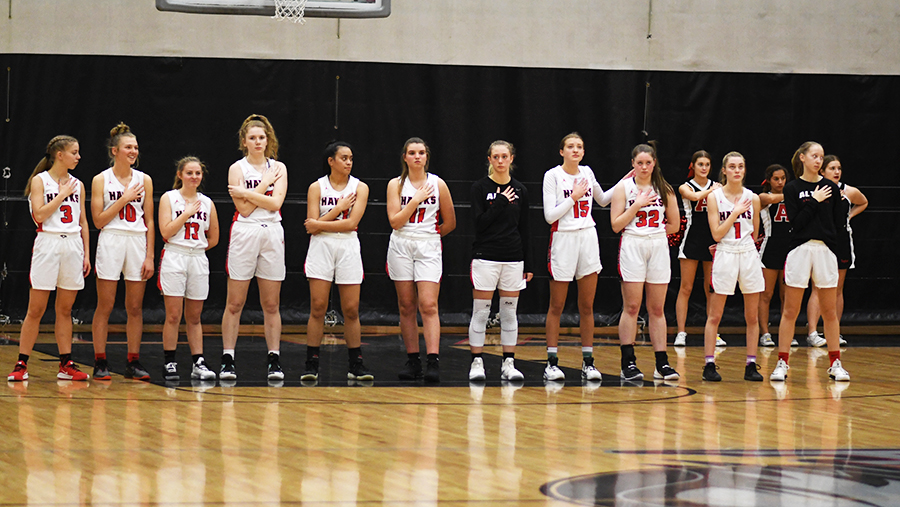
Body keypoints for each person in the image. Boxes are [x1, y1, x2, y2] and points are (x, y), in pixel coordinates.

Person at [542, 132, 630, 383]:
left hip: (588, 237)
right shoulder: (553, 176)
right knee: (557, 305)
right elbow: (550, 216)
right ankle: (551, 362)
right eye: (570, 146)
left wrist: (625, 181)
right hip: (564, 238)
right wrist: (573, 196)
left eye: (579, 146)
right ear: (562, 151)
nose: (575, 150)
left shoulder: (587, 173)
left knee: (587, 305)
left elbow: (602, 200)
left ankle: (588, 362)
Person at [8, 136, 91, 382]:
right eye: (74, 152)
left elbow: (83, 221)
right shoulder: (39, 181)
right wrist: (61, 195)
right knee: (36, 309)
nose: (78, 157)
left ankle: (66, 364)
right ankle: (21, 363)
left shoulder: (78, 183)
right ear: (59, 155)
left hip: (73, 244)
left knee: (65, 309)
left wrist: (86, 251)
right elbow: (40, 215)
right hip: (48, 242)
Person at [770, 142, 849, 383]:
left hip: (824, 250)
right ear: (803, 158)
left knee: (829, 311)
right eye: (814, 156)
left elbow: (837, 225)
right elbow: (796, 223)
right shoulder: (793, 188)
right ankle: (782, 362)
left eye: (821, 157)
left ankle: (835, 363)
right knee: (790, 310)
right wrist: (813, 200)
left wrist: (834, 251)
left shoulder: (831, 188)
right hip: (800, 249)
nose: (818, 160)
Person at [221, 114, 288, 381]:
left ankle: (274, 358)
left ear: (268, 139)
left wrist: (247, 192)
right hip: (245, 232)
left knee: (271, 303)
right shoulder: (237, 168)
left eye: (262, 137)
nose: (258, 142)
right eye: (253, 138)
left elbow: (275, 204)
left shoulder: (279, 167)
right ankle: (228, 358)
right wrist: (262, 187)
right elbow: (245, 210)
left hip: (271, 231)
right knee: (235, 302)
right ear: (244, 141)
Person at [302, 141, 373, 382]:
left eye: (351, 158)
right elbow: (311, 227)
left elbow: (351, 223)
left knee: (351, 309)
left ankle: (356, 363)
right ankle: (311, 363)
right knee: (318, 306)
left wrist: (320, 223)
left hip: (348, 244)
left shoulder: (360, 187)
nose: (349, 162)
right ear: (331, 161)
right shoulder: (317, 187)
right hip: (322, 247)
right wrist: (339, 208)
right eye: (344, 158)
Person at [386, 137, 456, 383]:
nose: (417, 156)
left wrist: (430, 236)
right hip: (401, 242)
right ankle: (413, 360)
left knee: (428, 304)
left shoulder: (438, 184)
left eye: (421, 152)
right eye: (412, 152)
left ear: (427, 157)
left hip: (427, 244)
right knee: (406, 305)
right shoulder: (395, 184)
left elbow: (450, 222)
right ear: (405, 157)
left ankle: (433, 360)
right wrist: (414, 201)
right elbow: (394, 221)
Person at [610, 143, 680, 381]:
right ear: (632, 164)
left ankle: (662, 363)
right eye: (639, 163)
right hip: (632, 243)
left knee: (657, 308)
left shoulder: (665, 188)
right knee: (631, 306)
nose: (643, 167)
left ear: (654, 163)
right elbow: (616, 225)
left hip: (658, 244)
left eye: (648, 163)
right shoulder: (624, 188)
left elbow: (674, 224)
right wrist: (637, 206)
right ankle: (627, 362)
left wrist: (655, 233)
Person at [91, 123, 155, 381]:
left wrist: (150, 255)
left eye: (136, 147)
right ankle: (100, 361)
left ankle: (133, 361)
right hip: (112, 239)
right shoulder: (100, 179)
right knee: (105, 305)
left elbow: (149, 220)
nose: (133, 151)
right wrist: (124, 198)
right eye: (128, 147)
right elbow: (98, 220)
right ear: (114, 150)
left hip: (137, 241)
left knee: (135, 307)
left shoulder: (145, 179)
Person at [467, 141, 533, 382]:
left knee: (508, 313)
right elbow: (480, 223)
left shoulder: (521, 190)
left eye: (505, 156)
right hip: (486, 257)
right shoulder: (479, 188)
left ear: (511, 159)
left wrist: (529, 263)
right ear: (490, 160)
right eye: (496, 157)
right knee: (481, 313)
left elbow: (525, 227)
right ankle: (477, 362)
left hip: (513, 258)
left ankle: (509, 363)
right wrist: (500, 202)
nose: (500, 161)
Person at [699, 152, 764, 382]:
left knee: (752, 316)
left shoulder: (753, 198)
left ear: (744, 170)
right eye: (732, 167)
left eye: (741, 166)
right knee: (715, 314)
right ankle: (709, 364)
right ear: (724, 170)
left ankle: (751, 364)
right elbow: (716, 234)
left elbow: (755, 233)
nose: (737, 170)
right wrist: (735, 213)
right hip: (725, 252)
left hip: (747, 253)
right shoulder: (714, 197)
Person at [158, 157, 219, 382]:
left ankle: (198, 362)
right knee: (173, 315)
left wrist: (197, 247)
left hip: (197, 258)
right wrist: (185, 214)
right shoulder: (169, 198)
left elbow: (213, 237)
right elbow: (165, 231)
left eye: (198, 173)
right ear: (180, 175)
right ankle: (169, 361)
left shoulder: (207, 203)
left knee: (194, 316)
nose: (194, 177)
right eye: (190, 173)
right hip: (175, 254)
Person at [806, 155, 868, 346]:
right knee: (817, 287)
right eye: (832, 168)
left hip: (841, 241)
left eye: (838, 168)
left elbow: (863, 202)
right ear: (822, 171)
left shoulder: (848, 190)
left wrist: (848, 217)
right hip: (821, 241)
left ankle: (834, 331)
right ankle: (813, 333)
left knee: (837, 287)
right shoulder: (815, 190)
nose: (837, 172)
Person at [673, 150, 724, 347]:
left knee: (711, 289)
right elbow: (693, 197)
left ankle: (714, 333)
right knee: (686, 287)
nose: (704, 168)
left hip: (712, 238)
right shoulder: (686, 187)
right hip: (691, 239)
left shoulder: (717, 187)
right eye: (700, 164)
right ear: (693, 166)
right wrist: (714, 191)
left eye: (707, 165)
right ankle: (681, 332)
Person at [757, 164, 790, 347]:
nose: (780, 182)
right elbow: (769, 198)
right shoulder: (764, 197)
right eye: (776, 178)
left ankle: (787, 332)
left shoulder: (792, 196)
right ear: (769, 180)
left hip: (790, 249)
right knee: (766, 294)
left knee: (787, 295)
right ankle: (765, 333)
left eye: (783, 178)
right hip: (770, 248)